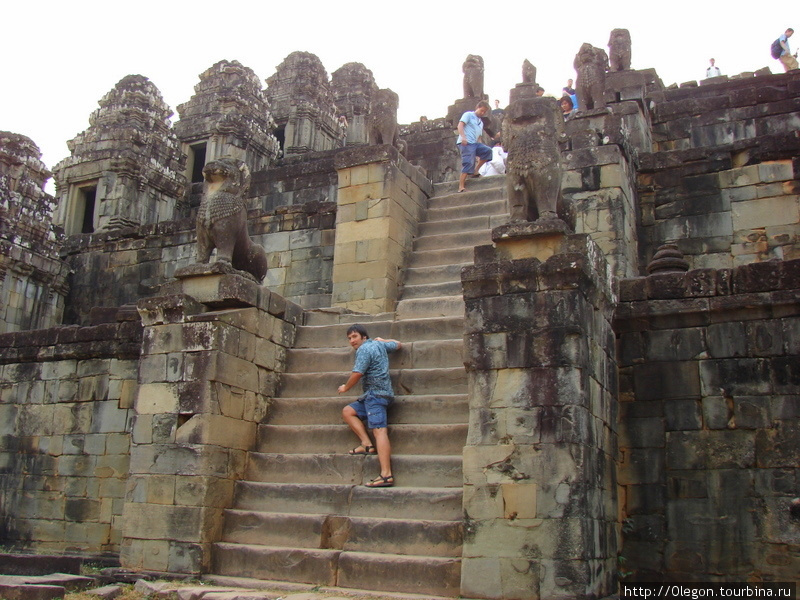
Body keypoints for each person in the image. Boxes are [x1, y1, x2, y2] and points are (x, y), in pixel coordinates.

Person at [339, 324, 401, 488]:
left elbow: (358, 373)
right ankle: (366, 444)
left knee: (380, 431)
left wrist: (345, 387)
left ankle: (386, 474)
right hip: (376, 395)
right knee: (348, 411)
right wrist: (383, 339)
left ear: (364, 337)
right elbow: (398, 344)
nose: (352, 341)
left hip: (376, 396)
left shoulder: (364, 350)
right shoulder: (379, 344)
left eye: (354, 337)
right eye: (349, 338)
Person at [456, 100, 494, 192]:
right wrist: (463, 137)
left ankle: (475, 170)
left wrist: (480, 147)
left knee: (488, 151)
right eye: (482, 110)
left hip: (475, 143)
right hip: (466, 142)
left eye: (484, 112)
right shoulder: (468, 115)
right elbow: (460, 125)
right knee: (468, 162)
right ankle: (461, 186)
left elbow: (479, 136)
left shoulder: (480, 122)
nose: (482, 113)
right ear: (477, 108)